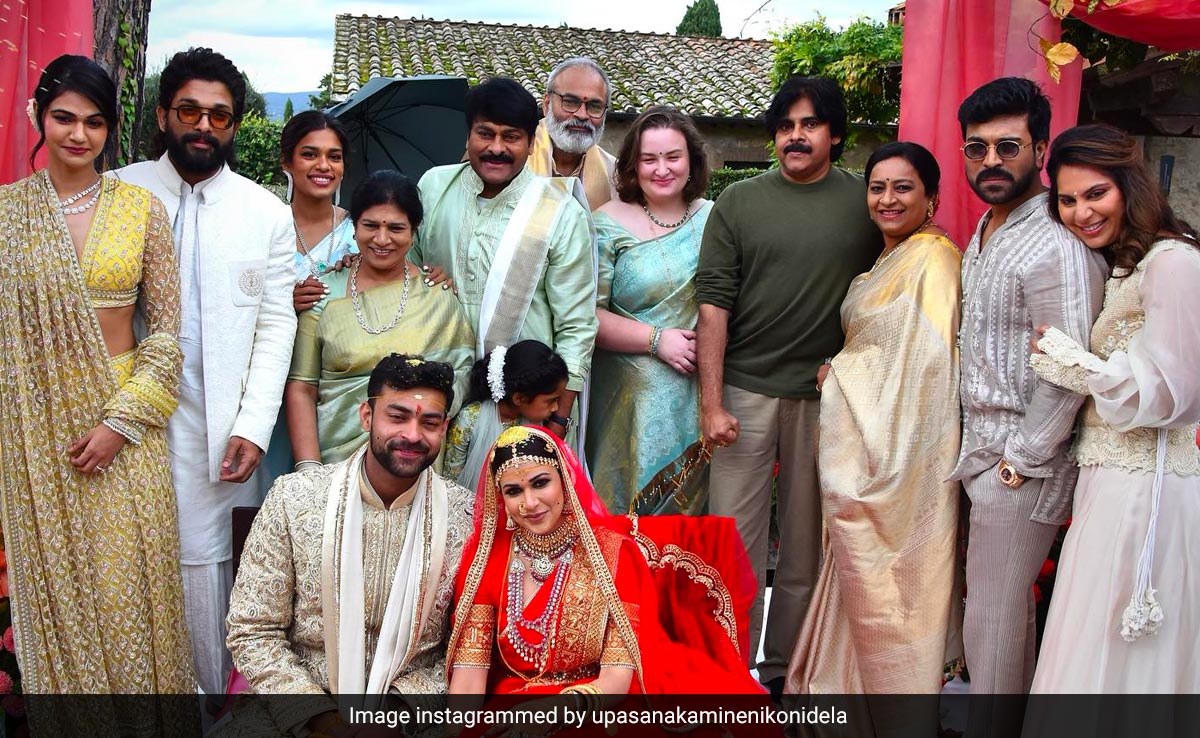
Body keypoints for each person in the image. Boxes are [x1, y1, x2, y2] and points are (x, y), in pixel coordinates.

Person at [0, 54, 196, 730]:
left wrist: (123, 421)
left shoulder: (139, 209)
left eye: (94, 122)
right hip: (34, 430)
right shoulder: (7, 215)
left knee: (126, 595)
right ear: (37, 116)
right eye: (63, 118)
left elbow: (169, 333)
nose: (77, 135)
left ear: (111, 130)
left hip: (126, 424)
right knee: (62, 596)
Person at [112, 47, 298, 698]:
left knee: (208, 576)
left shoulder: (265, 214)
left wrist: (251, 424)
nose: (203, 126)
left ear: (236, 125)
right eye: (189, 110)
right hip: (123, 423)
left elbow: (278, 326)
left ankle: (208, 710)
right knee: (125, 569)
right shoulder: (121, 193)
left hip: (219, 429)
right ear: (163, 114)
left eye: (220, 115)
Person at [695, 75, 882, 695]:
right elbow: (713, 306)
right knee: (732, 542)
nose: (796, 137)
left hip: (825, 399)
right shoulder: (739, 202)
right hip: (744, 394)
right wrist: (712, 403)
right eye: (785, 126)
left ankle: (785, 676)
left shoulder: (866, 204)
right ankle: (726, 671)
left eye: (810, 124)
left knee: (805, 548)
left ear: (835, 133)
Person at [948, 78, 1105, 736]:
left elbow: (1068, 373)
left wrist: (1020, 462)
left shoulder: (1056, 246)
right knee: (988, 614)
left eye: (1008, 147)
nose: (990, 162)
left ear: (1040, 148)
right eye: (976, 148)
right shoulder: (988, 226)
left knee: (996, 615)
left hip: (1021, 461)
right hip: (979, 453)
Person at [785, 142, 962, 711]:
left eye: (903, 187)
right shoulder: (888, 259)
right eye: (877, 187)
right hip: (868, 434)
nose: (887, 199)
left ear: (932, 198)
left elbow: (925, 367)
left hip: (903, 452)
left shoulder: (933, 260)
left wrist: (840, 375)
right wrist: (844, 369)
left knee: (896, 583)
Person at [1026, 124, 1200, 694]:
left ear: (1130, 185)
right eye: (1068, 200)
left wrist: (1069, 362)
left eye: (1095, 193)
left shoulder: (1173, 262)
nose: (1081, 212)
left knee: (1115, 652)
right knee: (1087, 638)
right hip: (1108, 480)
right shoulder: (1127, 264)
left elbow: (1174, 395)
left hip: (1144, 490)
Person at [226, 355, 474, 733]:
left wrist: (396, 716)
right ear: (366, 416)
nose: (412, 434)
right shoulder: (296, 499)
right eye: (397, 416)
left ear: (445, 429)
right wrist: (324, 720)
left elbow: (468, 647)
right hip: (300, 708)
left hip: (412, 714)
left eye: (429, 422)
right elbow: (253, 629)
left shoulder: (468, 517)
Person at [445, 425, 763, 710]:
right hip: (516, 704)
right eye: (513, 491)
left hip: (597, 702)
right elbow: (469, 680)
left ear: (566, 480)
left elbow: (616, 678)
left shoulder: (611, 553)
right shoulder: (489, 560)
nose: (529, 503)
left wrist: (555, 709)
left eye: (540, 483)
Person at [416, 77, 597, 446]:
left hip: (522, 405)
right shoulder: (433, 188)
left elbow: (576, 327)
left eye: (511, 137)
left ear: (532, 143)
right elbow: (402, 274)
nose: (496, 148)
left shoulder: (559, 210)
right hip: (437, 395)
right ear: (468, 136)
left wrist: (559, 419)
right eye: (485, 133)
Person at [285, 170, 475, 466]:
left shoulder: (437, 296)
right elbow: (302, 387)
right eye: (370, 226)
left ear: (414, 232)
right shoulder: (323, 292)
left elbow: (461, 376)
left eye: (396, 228)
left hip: (415, 459)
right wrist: (309, 471)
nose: (382, 239)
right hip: (334, 463)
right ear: (354, 227)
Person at [586, 106, 712, 515]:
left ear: (691, 161)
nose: (662, 169)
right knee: (626, 526)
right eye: (648, 158)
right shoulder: (607, 221)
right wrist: (658, 341)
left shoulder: (715, 218)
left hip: (701, 397)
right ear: (632, 164)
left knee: (691, 533)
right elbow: (588, 315)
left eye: (673, 157)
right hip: (627, 402)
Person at [258, 110, 358, 490]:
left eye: (334, 156)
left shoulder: (361, 233)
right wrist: (285, 302)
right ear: (287, 161)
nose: (323, 166)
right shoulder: (267, 227)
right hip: (270, 383)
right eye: (310, 154)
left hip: (336, 390)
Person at [445, 340, 569, 489]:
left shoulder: (538, 425)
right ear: (519, 399)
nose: (556, 408)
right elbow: (451, 478)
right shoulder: (470, 420)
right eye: (551, 401)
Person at [527, 56, 618, 210]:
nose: (582, 115)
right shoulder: (515, 161)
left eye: (594, 106)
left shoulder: (616, 176)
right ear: (547, 104)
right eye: (570, 102)